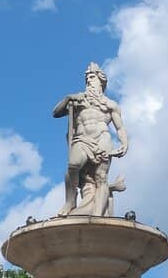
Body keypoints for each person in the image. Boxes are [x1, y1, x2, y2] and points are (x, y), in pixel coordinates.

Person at [52, 63, 128, 217]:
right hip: (82, 138)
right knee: (73, 166)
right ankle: (70, 202)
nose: (88, 81)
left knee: (101, 178)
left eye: (91, 77)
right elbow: (56, 113)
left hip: (102, 138)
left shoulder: (110, 104)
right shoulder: (78, 100)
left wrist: (124, 143)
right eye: (87, 78)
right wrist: (68, 99)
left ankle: (98, 215)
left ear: (101, 80)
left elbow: (119, 127)